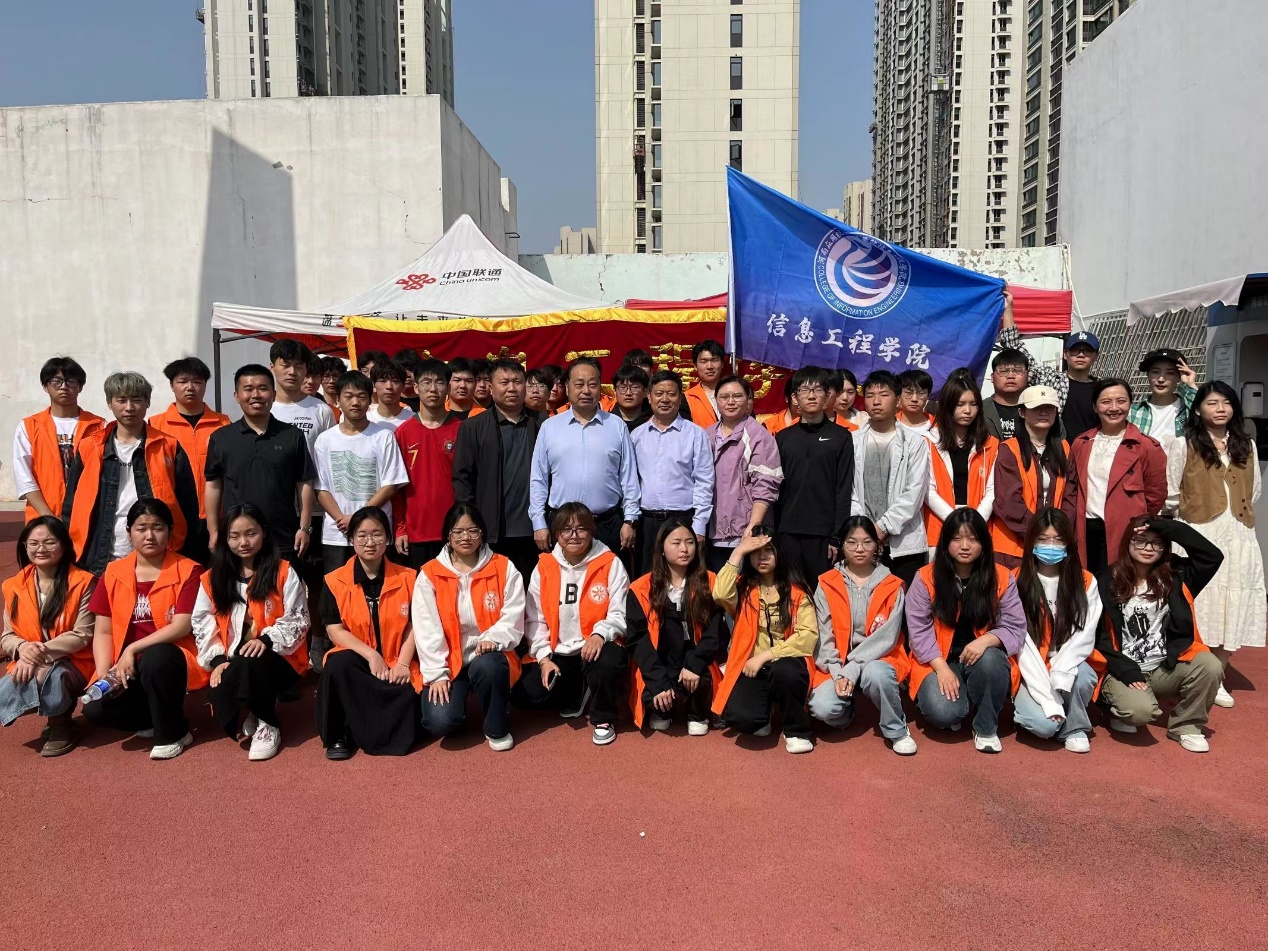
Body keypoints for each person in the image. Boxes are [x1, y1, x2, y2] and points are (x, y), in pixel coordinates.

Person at [82, 499, 206, 760]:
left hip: (170, 660)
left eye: (158, 527)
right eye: (141, 528)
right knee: (95, 710)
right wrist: (105, 672)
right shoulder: (113, 572)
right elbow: (103, 631)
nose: (150, 535)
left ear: (170, 532)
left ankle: (173, 734)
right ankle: (154, 717)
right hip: (127, 667)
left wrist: (132, 648)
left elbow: (182, 625)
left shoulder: (189, 570)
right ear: (129, 532)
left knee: (155, 657)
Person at [1166, 381, 1264, 709]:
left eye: (1226, 402)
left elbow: (1254, 491)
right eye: (1212, 403)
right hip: (1199, 531)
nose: (1220, 409)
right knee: (1200, 602)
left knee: (1234, 602)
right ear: (1198, 409)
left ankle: (1218, 671)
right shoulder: (1183, 444)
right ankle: (1198, 669)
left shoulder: (1247, 446)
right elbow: (1172, 491)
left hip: (1238, 534)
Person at [1095, 516, 1224, 752]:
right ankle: (1121, 707)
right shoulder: (1106, 580)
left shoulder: (1177, 575)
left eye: (1156, 543)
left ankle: (1186, 726)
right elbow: (1098, 638)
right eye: (1141, 540)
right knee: (1139, 713)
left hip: (1164, 668)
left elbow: (1212, 556)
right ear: (1127, 541)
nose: (1148, 548)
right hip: (1122, 670)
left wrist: (1166, 527)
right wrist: (1125, 669)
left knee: (1210, 665)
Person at [191, 504, 308, 760]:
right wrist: (218, 660)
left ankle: (268, 722)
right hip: (232, 659)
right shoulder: (212, 578)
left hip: (281, 658)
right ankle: (255, 707)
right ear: (225, 538)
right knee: (225, 685)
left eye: (251, 533)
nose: (243, 542)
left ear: (264, 532)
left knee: (254, 659)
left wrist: (266, 639)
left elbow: (299, 619)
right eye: (234, 536)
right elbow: (202, 623)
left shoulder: (283, 571)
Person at [905, 508, 1026, 753]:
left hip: (980, 658)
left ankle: (985, 727)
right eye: (957, 538)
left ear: (984, 543)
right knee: (944, 713)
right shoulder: (925, 577)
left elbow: (1015, 627)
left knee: (992, 660)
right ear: (945, 542)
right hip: (937, 660)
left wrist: (986, 641)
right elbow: (918, 631)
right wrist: (941, 669)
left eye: (973, 539)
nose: (965, 546)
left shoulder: (1001, 577)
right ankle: (963, 701)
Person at [63, 371, 200, 575]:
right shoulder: (89, 447)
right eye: (121, 400)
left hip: (156, 555)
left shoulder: (167, 446)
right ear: (110, 403)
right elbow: (71, 505)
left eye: (136, 400)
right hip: (99, 556)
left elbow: (188, 505)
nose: (129, 407)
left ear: (147, 403)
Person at [413, 503, 526, 750]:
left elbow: (514, 615)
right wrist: (436, 673)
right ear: (448, 535)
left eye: (473, 530)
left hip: (488, 655)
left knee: (491, 666)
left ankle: (496, 725)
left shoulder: (503, 567)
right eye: (458, 531)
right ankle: (460, 707)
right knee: (441, 723)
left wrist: (494, 638)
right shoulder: (430, 574)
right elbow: (426, 627)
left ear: (482, 533)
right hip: (449, 662)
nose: (466, 537)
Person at [517, 502, 630, 745]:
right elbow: (535, 619)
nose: (574, 535)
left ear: (592, 531)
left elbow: (620, 612)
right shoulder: (544, 566)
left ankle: (603, 718)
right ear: (556, 534)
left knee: (609, 662)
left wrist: (600, 634)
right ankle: (575, 692)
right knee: (523, 693)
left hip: (595, 648)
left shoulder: (610, 563)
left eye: (581, 529)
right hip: (559, 652)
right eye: (566, 530)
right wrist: (544, 659)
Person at [317, 506, 421, 759]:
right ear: (351, 539)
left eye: (377, 534)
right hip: (359, 662)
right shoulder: (334, 581)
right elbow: (334, 629)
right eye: (362, 535)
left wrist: (403, 664)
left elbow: (415, 624)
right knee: (337, 665)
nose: (370, 542)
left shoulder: (409, 577)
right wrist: (371, 655)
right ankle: (339, 734)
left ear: (388, 537)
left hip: (398, 661)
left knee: (415, 705)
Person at [808, 516, 917, 755]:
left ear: (877, 546)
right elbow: (822, 634)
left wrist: (854, 667)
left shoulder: (892, 584)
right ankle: (847, 710)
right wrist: (837, 672)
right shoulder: (826, 582)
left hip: (877, 658)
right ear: (842, 545)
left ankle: (896, 728)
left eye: (867, 542)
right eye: (852, 542)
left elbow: (887, 637)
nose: (859, 548)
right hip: (836, 662)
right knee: (823, 708)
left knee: (877, 675)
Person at [711, 530, 816, 753]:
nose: (762, 557)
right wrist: (738, 552)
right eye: (755, 551)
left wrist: (766, 655)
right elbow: (719, 594)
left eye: (769, 550)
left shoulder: (797, 591)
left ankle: (796, 730)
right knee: (743, 719)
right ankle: (766, 710)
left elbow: (807, 636)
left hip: (787, 663)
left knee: (785, 671)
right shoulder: (743, 588)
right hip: (752, 668)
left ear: (780, 553)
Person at [0, 517, 96, 756]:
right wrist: (23, 648)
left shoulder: (83, 582)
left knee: (48, 674)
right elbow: (7, 635)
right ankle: (55, 718)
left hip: (78, 661)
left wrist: (37, 654)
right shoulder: (13, 585)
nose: (40, 549)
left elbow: (83, 634)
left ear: (64, 545)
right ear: (24, 546)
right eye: (33, 543)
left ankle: (62, 725)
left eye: (49, 542)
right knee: (26, 678)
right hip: (29, 659)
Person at [1010, 508, 1101, 753]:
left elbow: (1084, 635)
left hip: (1068, 661)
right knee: (1043, 726)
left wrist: (1061, 670)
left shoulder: (1085, 581)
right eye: (1043, 539)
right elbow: (1020, 640)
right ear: (1031, 541)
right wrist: (1045, 690)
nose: (1051, 546)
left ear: (1068, 543)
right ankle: (1051, 714)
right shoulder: (1015, 579)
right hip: (1030, 666)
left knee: (1083, 676)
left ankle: (1075, 727)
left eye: (1058, 540)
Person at [204, 364, 316, 563]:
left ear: (273, 394)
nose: (255, 395)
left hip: (283, 537)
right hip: (238, 540)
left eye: (263, 388)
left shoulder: (292, 436)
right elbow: (213, 486)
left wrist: (304, 527)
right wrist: (213, 531)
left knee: (285, 583)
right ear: (237, 396)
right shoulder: (221, 438)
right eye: (248, 389)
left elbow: (304, 483)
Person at [529, 358, 641, 556]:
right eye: (579, 384)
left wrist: (630, 520)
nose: (586, 391)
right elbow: (538, 479)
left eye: (592, 384)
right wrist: (539, 523)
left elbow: (629, 476)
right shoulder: (550, 427)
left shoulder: (616, 426)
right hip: (563, 525)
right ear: (567, 387)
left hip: (607, 524)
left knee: (609, 575)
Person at [626, 519, 724, 735]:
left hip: (695, 656)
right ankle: (663, 709)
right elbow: (638, 640)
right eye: (676, 543)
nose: (684, 549)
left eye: (689, 542)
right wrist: (658, 682)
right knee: (653, 696)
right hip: (661, 657)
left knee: (701, 681)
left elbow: (714, 634)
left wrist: (695, 665)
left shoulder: (710, 582)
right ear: (662, 548)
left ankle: (696, 713)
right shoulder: (640, 588)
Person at [1062, 378, 1167, 576]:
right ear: (1095, 407)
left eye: (1121, 401)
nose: (1114, 408)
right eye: (1106, 402)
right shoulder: (1082, 443)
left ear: (1130, 404)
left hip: (1125, 529)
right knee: (1086, 582)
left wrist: (1137, 521)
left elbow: (1155, 495)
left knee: (1118, 583)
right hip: (1085, 528)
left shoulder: (1146, 447)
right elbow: (1072, 487)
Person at [451, 358, 542, 583]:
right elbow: (463, 479)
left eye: (517, 382)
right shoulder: (473, 427)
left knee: (531, 590)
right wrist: (470, 523)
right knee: (492, 589)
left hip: (534, 530)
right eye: (504, 382)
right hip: (491, 529)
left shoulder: (541, 423)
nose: (512, 388)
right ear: (491, 388)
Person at [313, 371, 409, 577]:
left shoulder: (383, 437)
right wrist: (341, 518)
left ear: (369, 399)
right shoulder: (325, 440)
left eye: (361, 396)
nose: (355, 402)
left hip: (375, 532)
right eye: (348, 396)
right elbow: (321, 488)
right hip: (337, 533)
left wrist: (358, 518)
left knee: (378, 586)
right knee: (337, 587)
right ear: (338, 400)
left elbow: (391, 484)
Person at [773, 366, 854, 586]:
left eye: (818, 390)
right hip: (787, 532)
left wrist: (836, 536)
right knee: (790, 593)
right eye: (804, 390)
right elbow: (775, 488)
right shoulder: (782, 438)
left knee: (822, 594)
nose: (811, 396)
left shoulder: (841, 437)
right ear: (795, 397)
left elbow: (843, 489)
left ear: (828, 396)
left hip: (823, 535)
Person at [630, 370, 715, 574]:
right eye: (659, 393)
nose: (665, 399)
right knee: (648, 579)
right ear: (649, 396)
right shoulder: (637, 435)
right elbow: (630, 481)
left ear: (680, 397)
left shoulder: (695, 434)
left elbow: (704, 481)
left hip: (684, 520)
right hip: (647, 523)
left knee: (685, 580)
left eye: (671, 393)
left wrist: (699, 525)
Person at [851, 370, 930, 587]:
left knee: (904, 600)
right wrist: (864, 529)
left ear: (897, 400)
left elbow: (914, 493)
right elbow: (848, 491)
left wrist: (883, 527)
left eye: (884, 395)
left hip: (904, 545)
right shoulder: (852, 441)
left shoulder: (914, 442)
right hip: (861, 542)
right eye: (870, 395)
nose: (876, 401)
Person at [149, 356, 230, 557]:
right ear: (172, 385)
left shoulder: (223, 424)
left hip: (216, 515)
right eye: (183, 381)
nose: (190, 387)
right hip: (173, 516)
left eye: (197, 382)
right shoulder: (155, 425)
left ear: (205, 386)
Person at [707, 375, 782, 573]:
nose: (730, 402)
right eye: (724, 397)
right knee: (718, 587)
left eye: (737, 396)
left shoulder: (759, 436)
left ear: (749, 400)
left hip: (746, 532)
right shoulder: (707, 435)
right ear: (716, 400)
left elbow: (766, 485)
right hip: (713, 532)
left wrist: (754, 525)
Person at [13, 357, 103, 522]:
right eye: (56, 381)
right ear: (45, 386)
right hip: (42, 519)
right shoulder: (28, 426)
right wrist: (48, 516)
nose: (63, 387)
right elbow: (24, 479)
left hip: (89, 518)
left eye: (71, 381)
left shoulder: (99, 426)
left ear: (80, 386)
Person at [396, 358, 464, 569]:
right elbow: (396, 488)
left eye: (439, 382)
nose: (433, 389)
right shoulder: (403, 433)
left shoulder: (463, 430)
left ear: (448, 388)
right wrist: (400, 529)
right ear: (416, 387)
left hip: (456, 530)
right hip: (416, 532)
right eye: (426, 382)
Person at [991, 385, 1068, 569]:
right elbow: (1008, 502)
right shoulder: (1009, 449)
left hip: (1054, 547)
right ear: (1022, 412)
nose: (1044, 412)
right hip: (1014, 547)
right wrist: (1039, 534)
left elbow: (1071, 498)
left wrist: (1056, 534)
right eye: (1036, 408)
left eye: (1049, 408)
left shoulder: (1065, 449)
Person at [925, 374, 997, 552]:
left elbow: (992, 490)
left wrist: (975, 523)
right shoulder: (928, 441)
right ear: (947, 405)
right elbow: (927, 490)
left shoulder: (990, 444)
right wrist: (955, 522)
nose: (968, 410)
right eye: (960, 404)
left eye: (973, 404)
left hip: (979, 527)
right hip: (939, 527)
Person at [268, 340, 335, 454]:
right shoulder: (263, 409)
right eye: (286, 365)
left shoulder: (322, 410)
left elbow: (330, 454)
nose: (292, 372)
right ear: (272, 367)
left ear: (306, 369)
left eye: (298, 366)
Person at [1129, 348, 1198, 457]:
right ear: (1148, 375)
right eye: (1155, 372)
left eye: (1170, 373)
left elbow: (1206, 419)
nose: (1161, 379)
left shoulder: (1187, 409)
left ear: (1179, 377)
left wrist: (1190, 385)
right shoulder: (1132, 412)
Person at [980, 348, 1031, 442]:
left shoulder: (1039, 409)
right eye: (1003, 371)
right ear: (992, 377)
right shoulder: (979, 410)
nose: (1010, 376)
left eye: (1017, 370)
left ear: (1027, 376)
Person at [684, 340, 725, 428]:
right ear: (695, 366)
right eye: (704, 361)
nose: (709, 366)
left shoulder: (735, 393)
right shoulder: (687, 398)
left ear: (722, 364)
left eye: (714, 360)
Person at [366, 360, 417, 430]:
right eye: (383, 381)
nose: (389, 386)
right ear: (374, 385)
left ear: (403, 386)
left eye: (395, 381)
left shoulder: (415, 420)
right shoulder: (365, 421)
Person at [611, 363, 652, 430]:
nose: (628, 393)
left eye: (634, 387)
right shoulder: (606, 422)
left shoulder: (655, 421)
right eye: (622, 387)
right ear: (614, 391)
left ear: (645, 391)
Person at [896, 369, 935, 434]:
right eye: (908, 393)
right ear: (899, 395)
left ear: (928, 396)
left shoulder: (939, 427)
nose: (914, 399)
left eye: (921, 393)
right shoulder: (888, 425)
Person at [393, 348, 424, 412]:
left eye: (411, 370)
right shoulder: (390, 401)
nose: (407, 375)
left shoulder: (427, 400)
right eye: (403, 370)